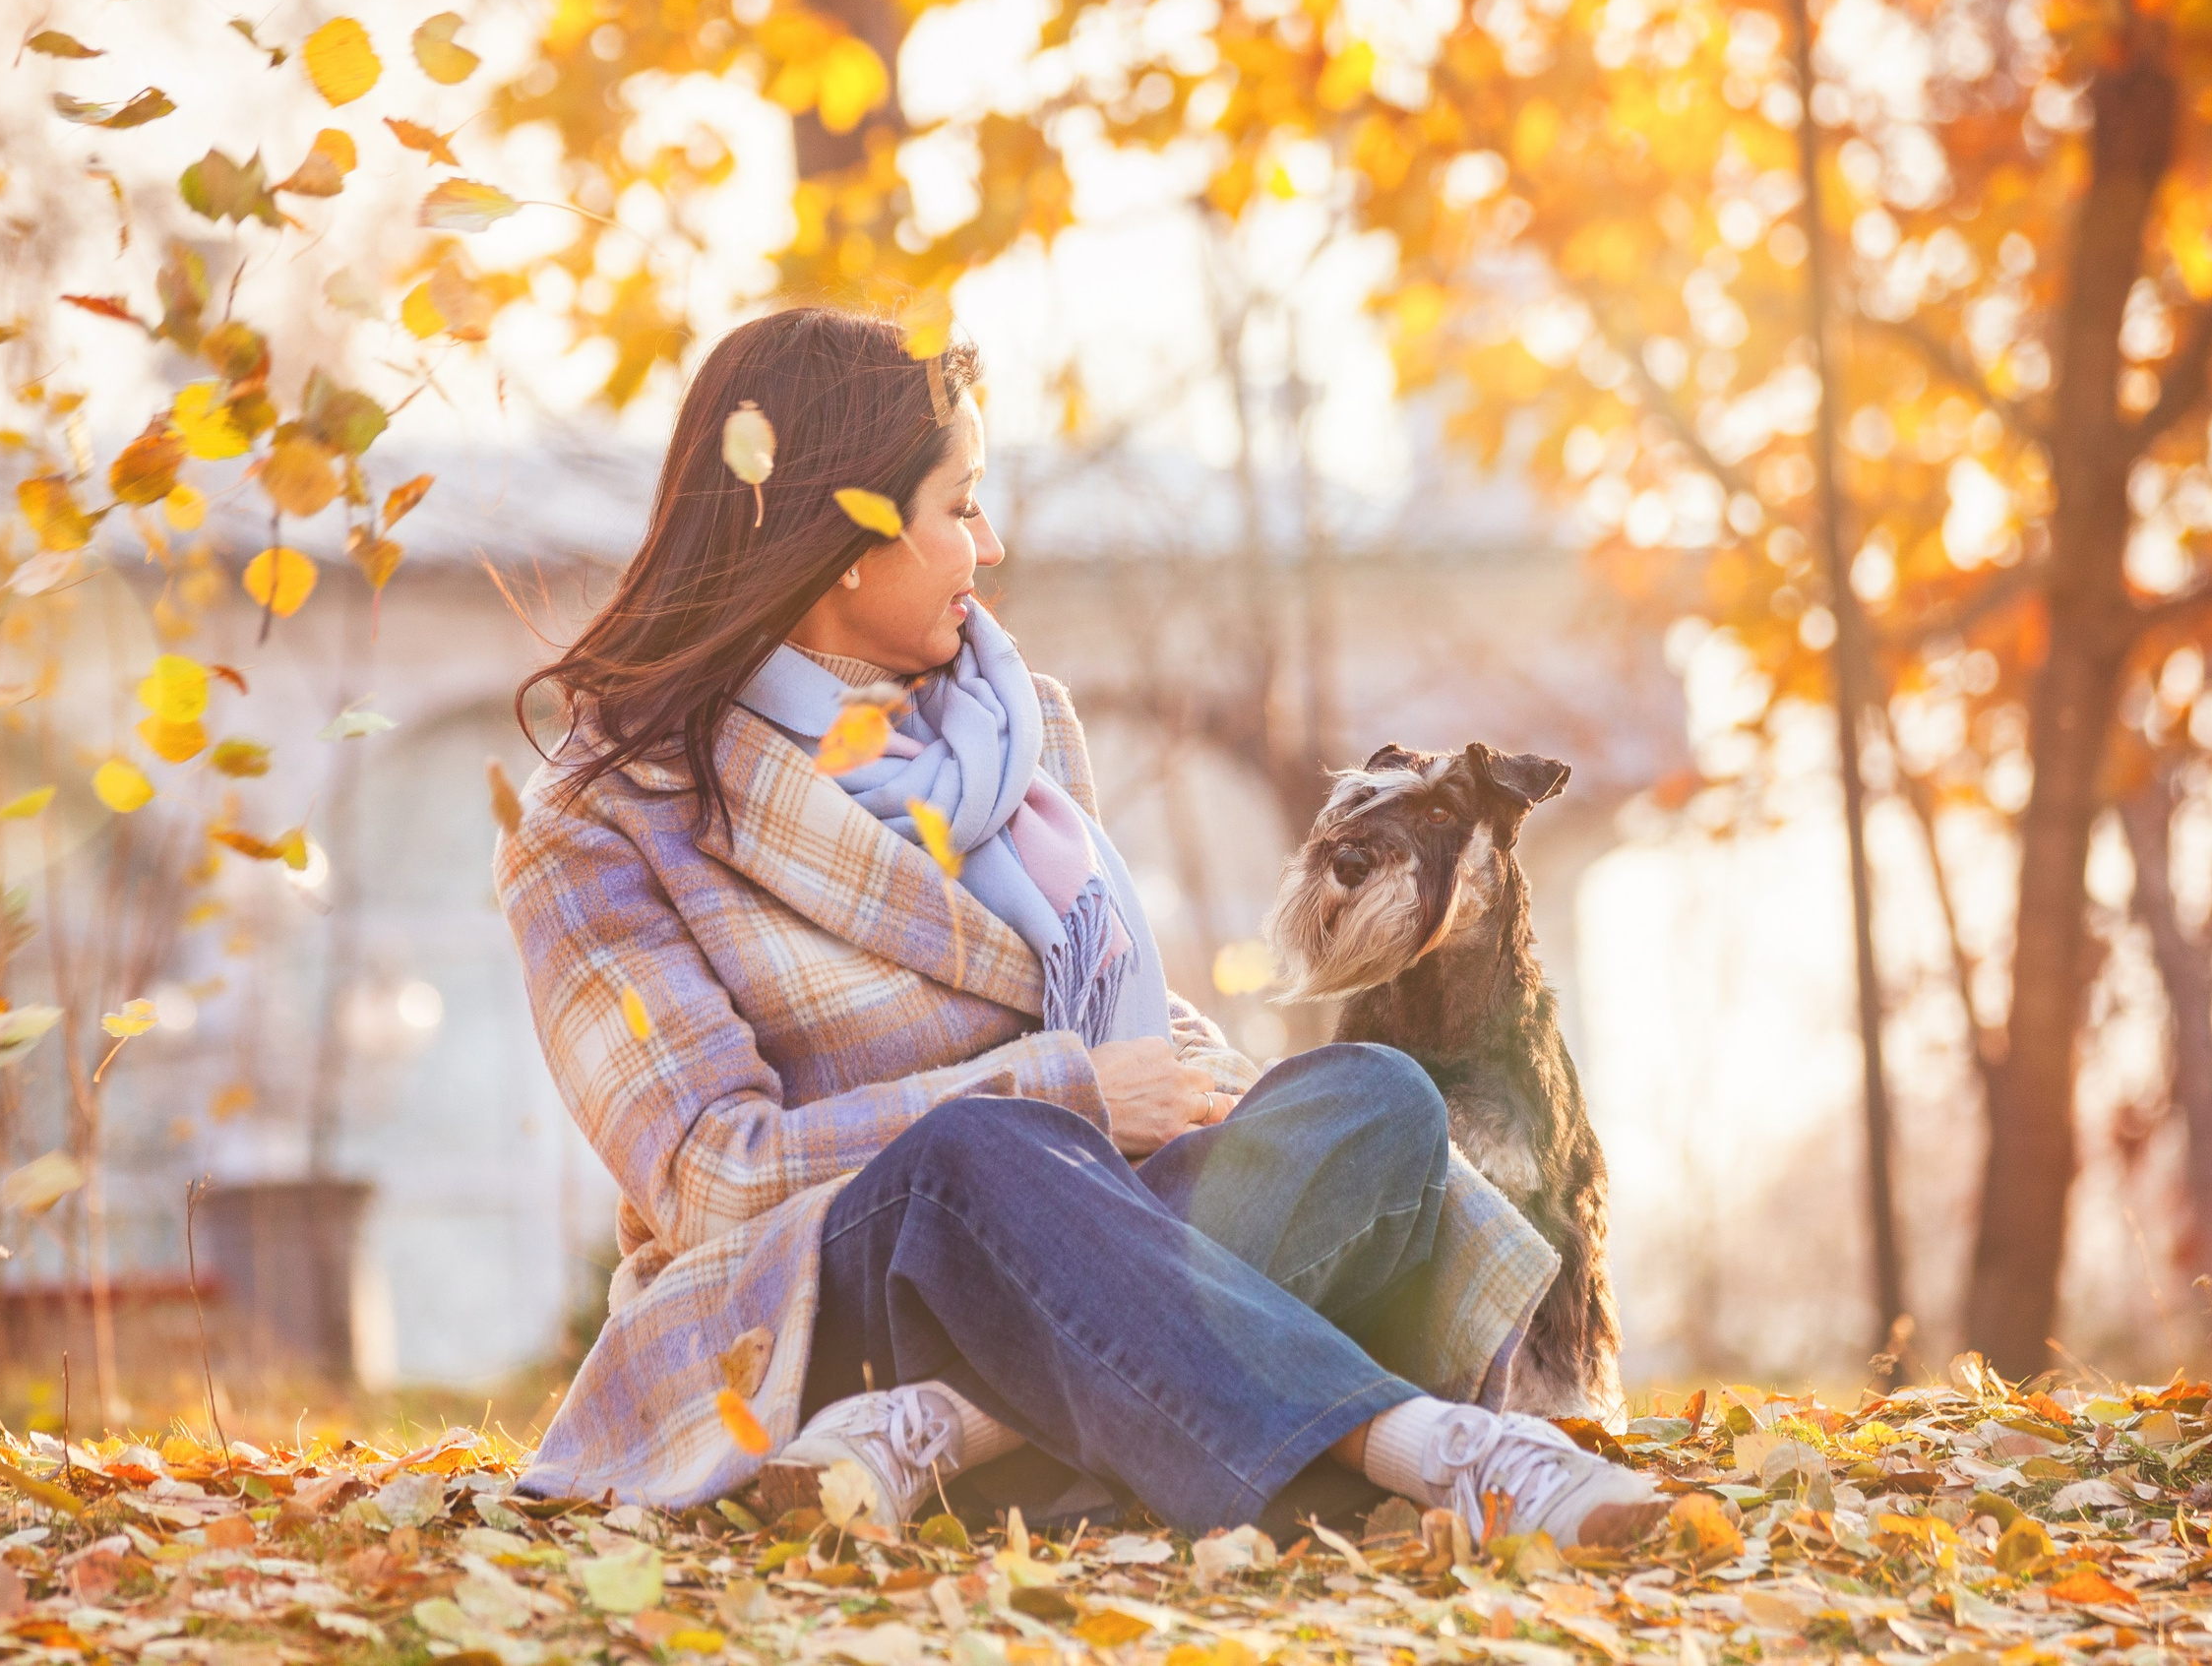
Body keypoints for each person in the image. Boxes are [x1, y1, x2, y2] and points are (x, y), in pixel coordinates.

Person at [497, 306, 1663, 1546]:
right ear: (849, 531)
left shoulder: (1020, 729)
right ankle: (1444, 1452)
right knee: (978, 1154)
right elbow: (711, 1180)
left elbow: (1122, 1015)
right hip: (813, 1313)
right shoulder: (604, 817)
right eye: (959, 508)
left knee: (1372, 1102)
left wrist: (1197, 1086)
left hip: (1092, 1264)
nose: (989, 546)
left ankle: (955, 1429)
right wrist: (1071, 1094)